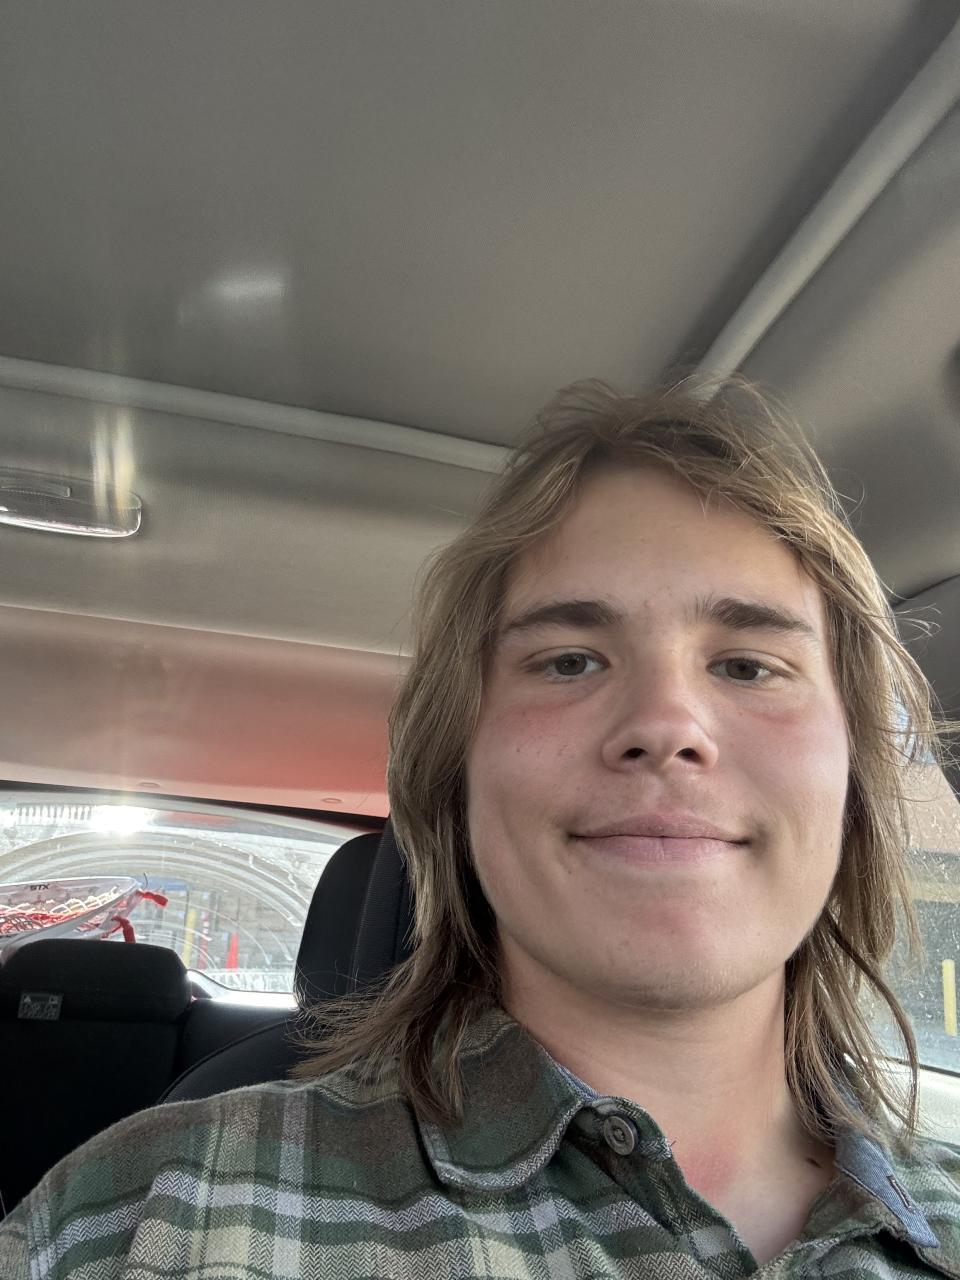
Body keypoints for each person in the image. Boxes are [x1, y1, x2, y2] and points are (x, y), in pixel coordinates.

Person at [2, 375, 958, 1278]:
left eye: (748, 666)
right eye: (569, 660)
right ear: (457, 773)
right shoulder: (134, 1222)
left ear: (853, 772)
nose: (667, 724)